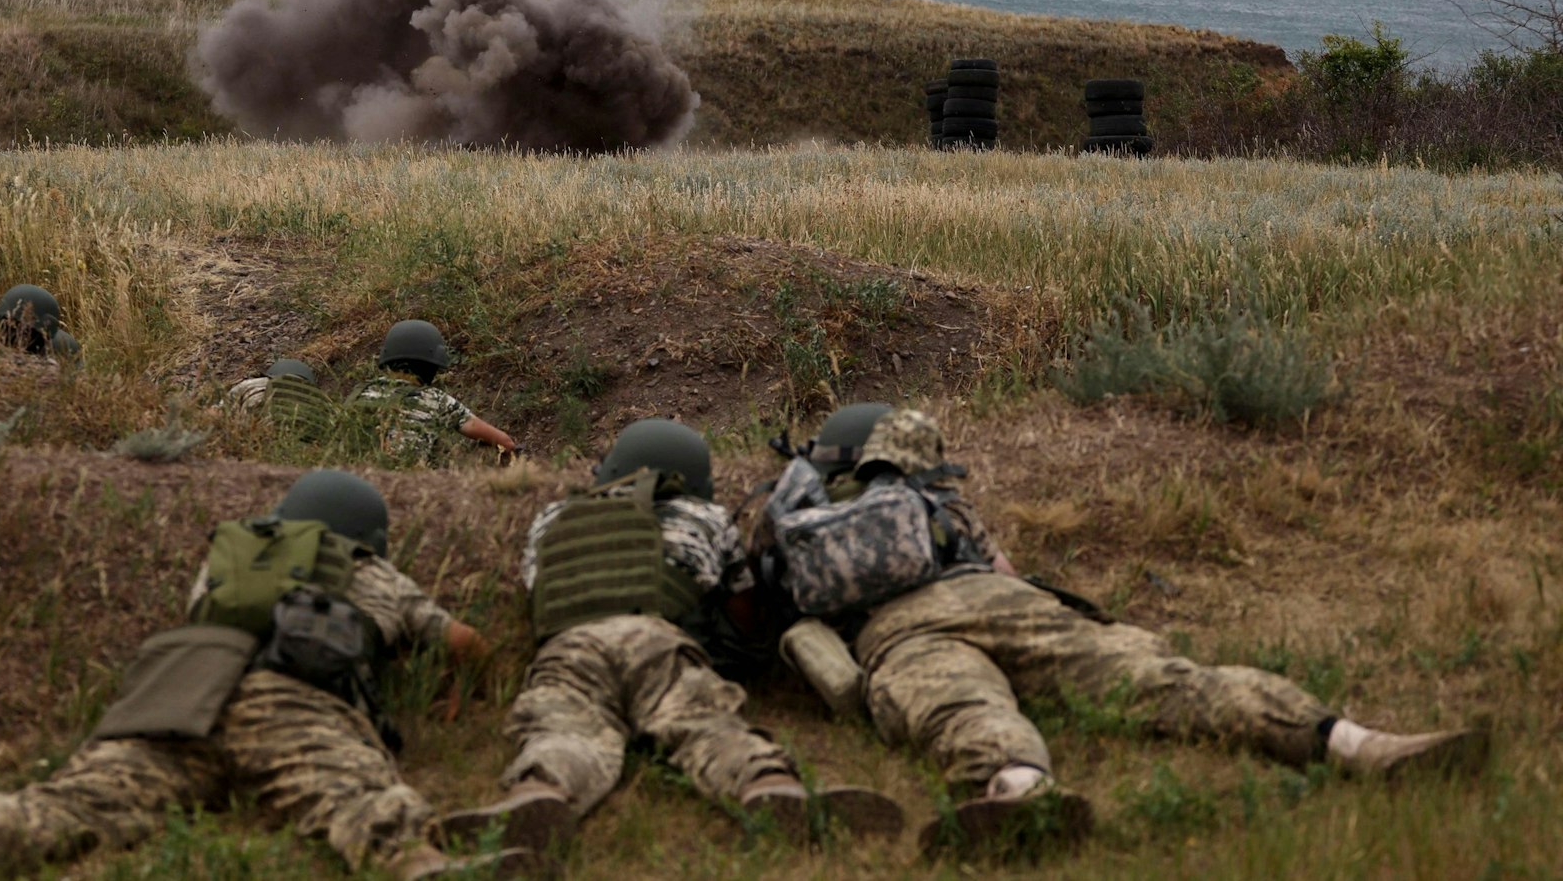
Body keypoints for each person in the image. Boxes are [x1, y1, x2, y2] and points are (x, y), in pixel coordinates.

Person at [760, 407, 1491, 855]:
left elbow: (767, 618)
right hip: (1001, 601)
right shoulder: (934, 502)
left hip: (901, 637)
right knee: (1165, 681)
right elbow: (1007, 571)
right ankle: (1354, 742)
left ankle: (1020, 789)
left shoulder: (796, 518)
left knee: (963, 710)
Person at [0, 470, 532, 881]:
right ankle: (423, 865)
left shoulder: (227, 562)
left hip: (181, 697)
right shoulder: (370, 569)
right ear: (367, 535)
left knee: (73, 802)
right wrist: (475, 672)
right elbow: (460, 642)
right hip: (291, 703)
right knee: (357, 799)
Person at [442, 419, 906, 854]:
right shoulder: (704, 516)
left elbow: (537, 593)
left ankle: (539, 792)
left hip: (571, 645)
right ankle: (768, 785)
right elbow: (744, 612)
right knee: (704, 723)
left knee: (560, 730)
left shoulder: (552, 518)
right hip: (656, 640)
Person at [348, 320, 514, 466]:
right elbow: (504, 442)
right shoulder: (435, 399)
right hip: (402, 483)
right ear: (431, 365)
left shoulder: (360, 391)